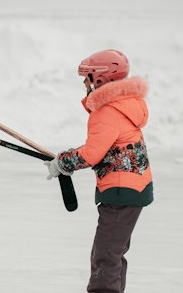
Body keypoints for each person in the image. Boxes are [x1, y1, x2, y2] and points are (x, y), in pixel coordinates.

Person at [45, 49, 153, 293]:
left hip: (120, 191)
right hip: (133, 189)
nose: (84, 83)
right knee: (113, 252)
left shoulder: (107, 111)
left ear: (101, 79)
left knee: (105, 257)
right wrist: (64, 160)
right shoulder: (125, 104)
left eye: (88, 77)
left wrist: (63, 162)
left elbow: (92, 153)